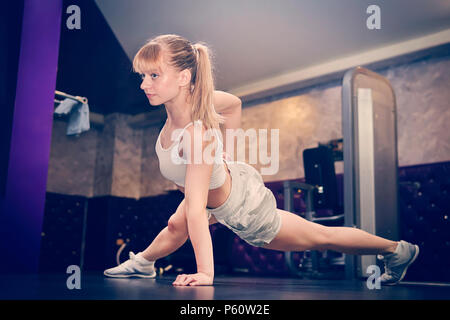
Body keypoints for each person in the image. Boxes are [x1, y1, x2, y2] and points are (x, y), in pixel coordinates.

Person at [104, 34, 419, 286]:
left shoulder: (194, 135)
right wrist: (228, 151)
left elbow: (199, 212)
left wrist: (206, 274)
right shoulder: (198, 103)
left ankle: (395, 250)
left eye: (154, 75)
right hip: (221, 188)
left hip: (243, 209)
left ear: (185, 76)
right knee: (176, 224)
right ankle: (144, 263)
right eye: (143, 76)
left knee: (319, 237)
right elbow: (234, 105)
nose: (145, 84)